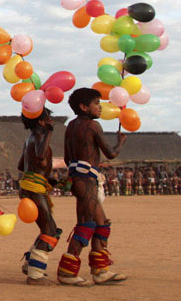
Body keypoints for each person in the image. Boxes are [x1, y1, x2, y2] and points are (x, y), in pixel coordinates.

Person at [57, 88, 128, 286]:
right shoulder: (93, 126)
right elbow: (111, 153)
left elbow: (66, 158)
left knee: (101, 224)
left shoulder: (70, 126)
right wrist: (120, 142)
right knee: (86, 224)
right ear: (84, 106)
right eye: (96, 103)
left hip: (80, 179)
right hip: (86, 180)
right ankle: (67, 272)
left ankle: (100, 270)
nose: (100, 107)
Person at [18, 107, 60, 285]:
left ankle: (31, 264)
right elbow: (41, 155)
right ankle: (34, 275)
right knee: (50, 231)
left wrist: (46, 176)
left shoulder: (29, 139)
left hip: (32, 185)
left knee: (49, 229)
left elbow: (22, 165)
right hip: (34, 188)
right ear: (42, 122)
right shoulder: (39, 137)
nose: (51, 120)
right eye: (49, 118)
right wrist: (49, 132)